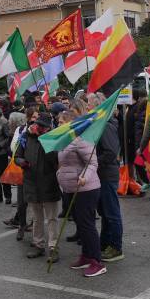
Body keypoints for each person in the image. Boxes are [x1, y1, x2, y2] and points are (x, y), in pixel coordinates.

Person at [56, 111, 106, 277]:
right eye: (58, 121)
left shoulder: (81, 139)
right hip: (71, 189)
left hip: (86, 189)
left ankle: (97, 262)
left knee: (87, 224)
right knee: (80, 224)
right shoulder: (64, 140)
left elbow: (92, 162)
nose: (58, 124)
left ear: (72, 124)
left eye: (62, 121)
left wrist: (84, 176)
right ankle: (86, 255)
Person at [15, 112, 61, 260]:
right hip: (31, 181)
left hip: (49, 182)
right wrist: (20, 161)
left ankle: (53, 247)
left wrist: (44, 139)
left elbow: (55, 159)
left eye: (43, 126)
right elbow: (16, 155)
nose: (39, 127)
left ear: (49, 127)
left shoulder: (54, 138)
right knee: (37, 217)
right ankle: (38, 244)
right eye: (38, 124)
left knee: (52, 217)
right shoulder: (26, 137)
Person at [95, 97, 125, 263]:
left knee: (111, 212)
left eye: (91, 104)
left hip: (106, 174)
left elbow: (110, 152)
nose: (88, 107)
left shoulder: (105, 126)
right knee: (105, 212)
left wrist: (93, 162)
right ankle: (105, 242)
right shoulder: (101, 123)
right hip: (102, 174)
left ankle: (116, 247)